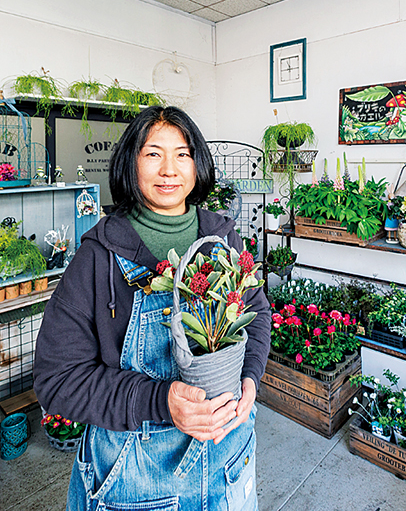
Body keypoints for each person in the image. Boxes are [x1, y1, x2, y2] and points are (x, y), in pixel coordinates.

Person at [33, 106, 271, 511]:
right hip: (136, 479)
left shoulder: (222, 239)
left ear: (197, 164)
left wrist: (249, 377)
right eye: (153, 153)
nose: (169, 170)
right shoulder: (98, 257)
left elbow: (258, 314)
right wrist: (159, 402)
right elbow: (57, 380)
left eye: (183, 153)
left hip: (229, 462)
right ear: (131, 163)